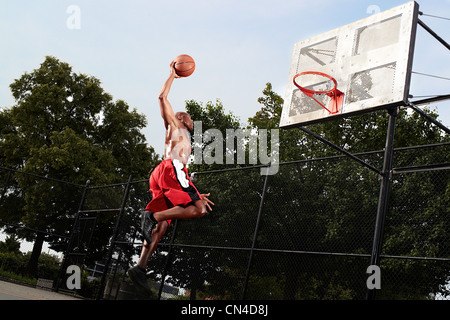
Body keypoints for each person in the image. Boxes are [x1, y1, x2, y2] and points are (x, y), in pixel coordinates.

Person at [127, 60, 214, 295]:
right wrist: (172, 76)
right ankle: (152, 216)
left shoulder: (183, 138)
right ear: (182, 119)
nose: (189, 118)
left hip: (167, 175)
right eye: (186, 115)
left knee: (162, 228)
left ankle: (140, 268)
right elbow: (161, 98)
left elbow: (181, 176)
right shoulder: (175, 126)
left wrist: (192, 189)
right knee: (199, 209)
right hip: (171, 169)